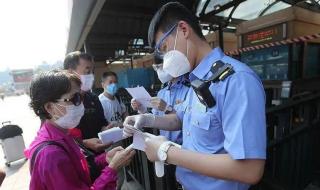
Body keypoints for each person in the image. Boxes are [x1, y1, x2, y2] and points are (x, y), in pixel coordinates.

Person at [123, 2, 266, 190]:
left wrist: (166, 151)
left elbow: (249, 170)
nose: (165, 61)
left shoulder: (236, 80)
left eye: (165, 48)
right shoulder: (195, 78)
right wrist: (146, 119)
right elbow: (181, 120)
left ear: (183, 29)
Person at [25, 70, 135, 190]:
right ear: (50, 107)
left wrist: (105, 158)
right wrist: (112, 168)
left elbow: (79, 167)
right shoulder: (51, 154)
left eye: (81, 97)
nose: (81, 104)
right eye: (74, 98)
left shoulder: (62, 136)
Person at [64, 51, 111, 153]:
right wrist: (84, 143)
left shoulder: (93, 98)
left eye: (92, 71)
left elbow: (102, 123)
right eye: (87, 71)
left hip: (100, 156)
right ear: (70, 73)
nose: (91, 76)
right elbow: (58, 138)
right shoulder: (60, 103)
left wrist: (108, 129)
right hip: (75, 159)